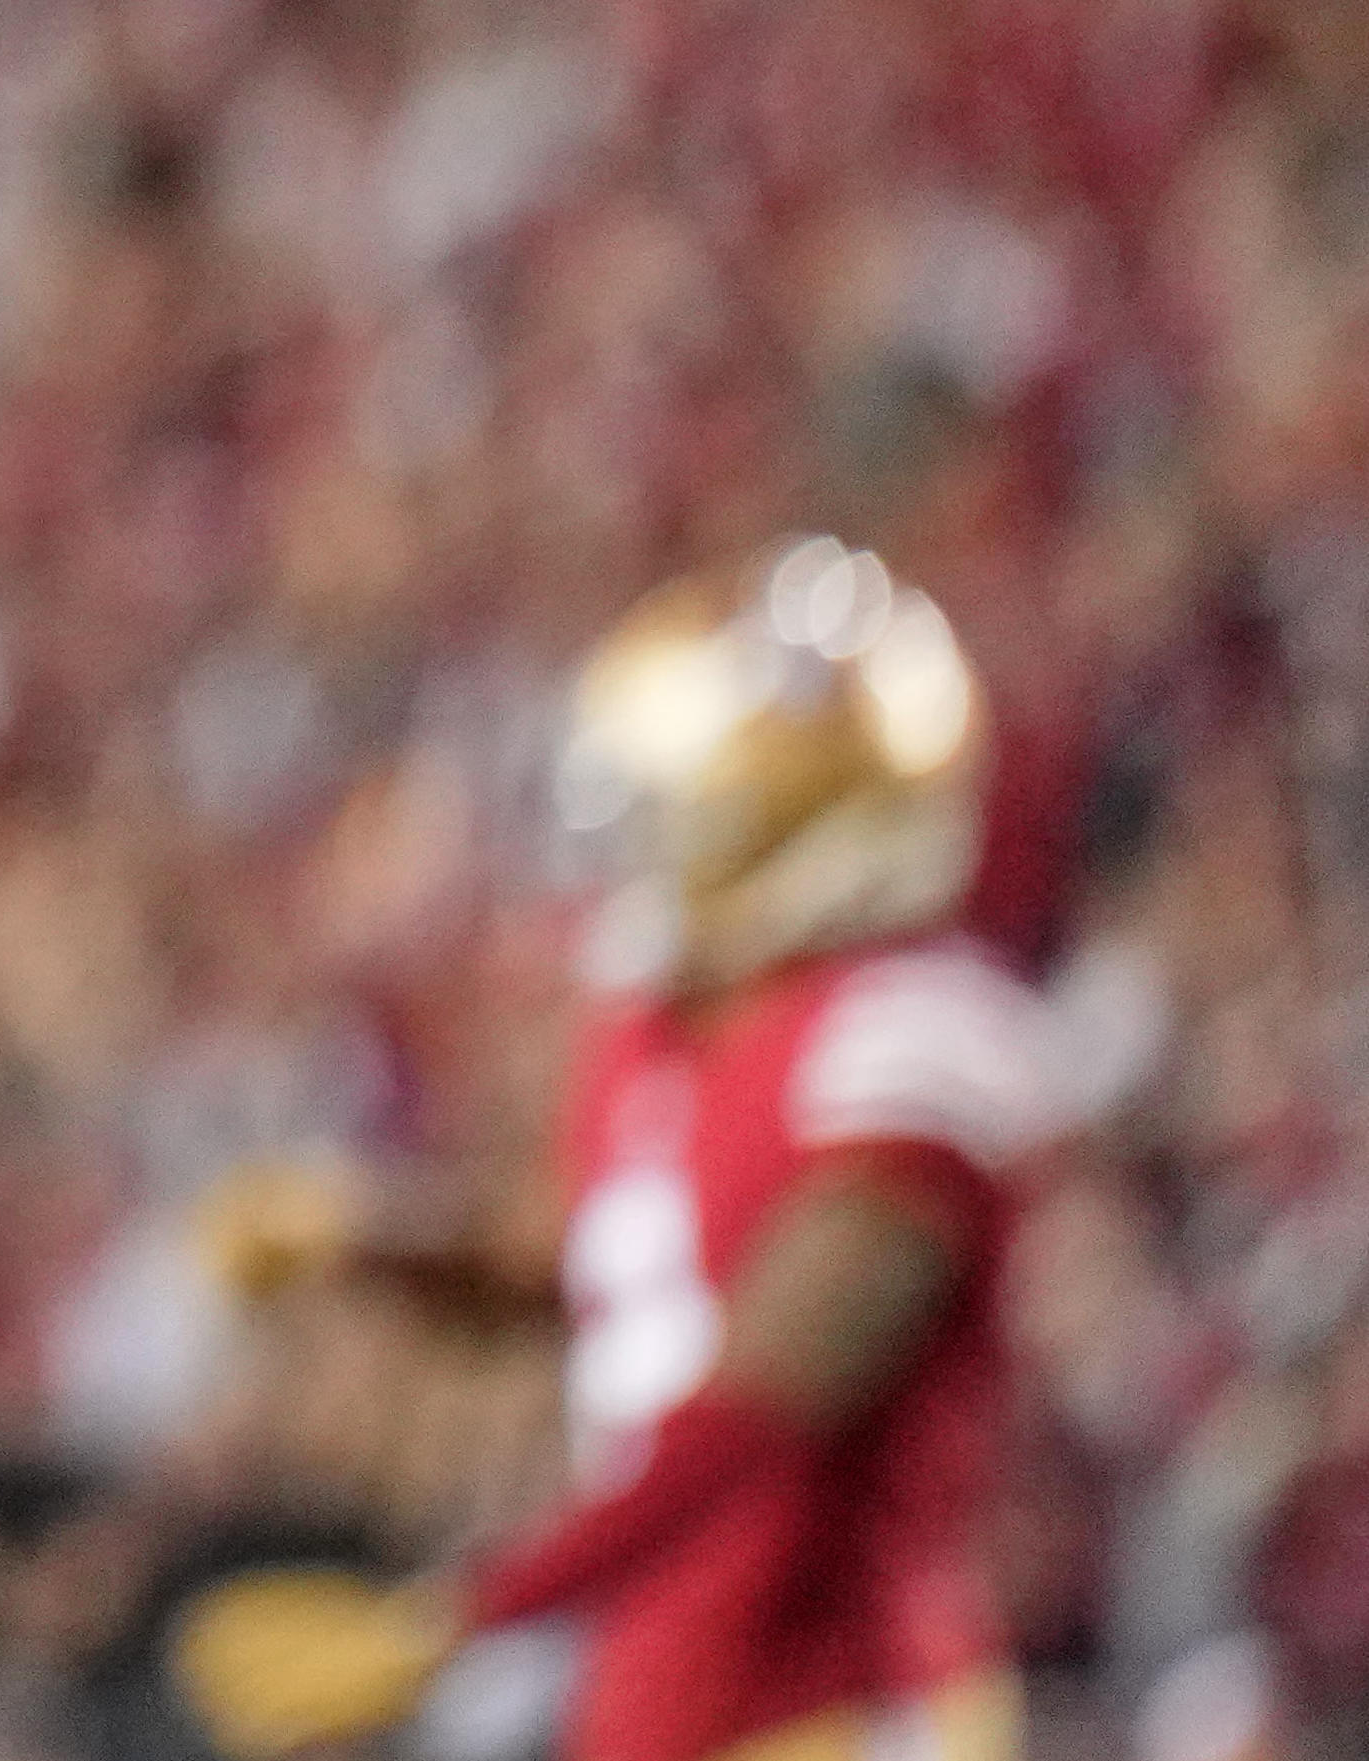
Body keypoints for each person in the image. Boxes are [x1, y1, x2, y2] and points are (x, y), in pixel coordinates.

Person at [177, 542, 1064, 1761]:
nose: (632, 851)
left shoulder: (905, 1037)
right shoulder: (660, 1021)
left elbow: (759, 1411)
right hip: (659, 1694)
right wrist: (362, 1237)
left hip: (844, 1709)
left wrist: (463, 1622)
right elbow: (596, 1262)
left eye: (673, 810)